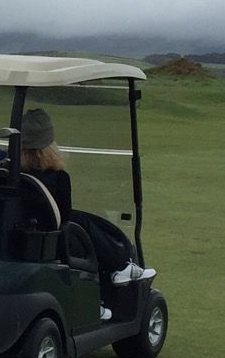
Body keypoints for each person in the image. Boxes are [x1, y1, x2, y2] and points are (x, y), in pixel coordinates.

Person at [18, 109, 154, 286]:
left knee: (84, 219)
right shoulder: (59, 178)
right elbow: (64, 214)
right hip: (50, 240)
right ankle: (119, 266)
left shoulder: (15, 175)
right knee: (81, 223)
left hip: (22, 237)